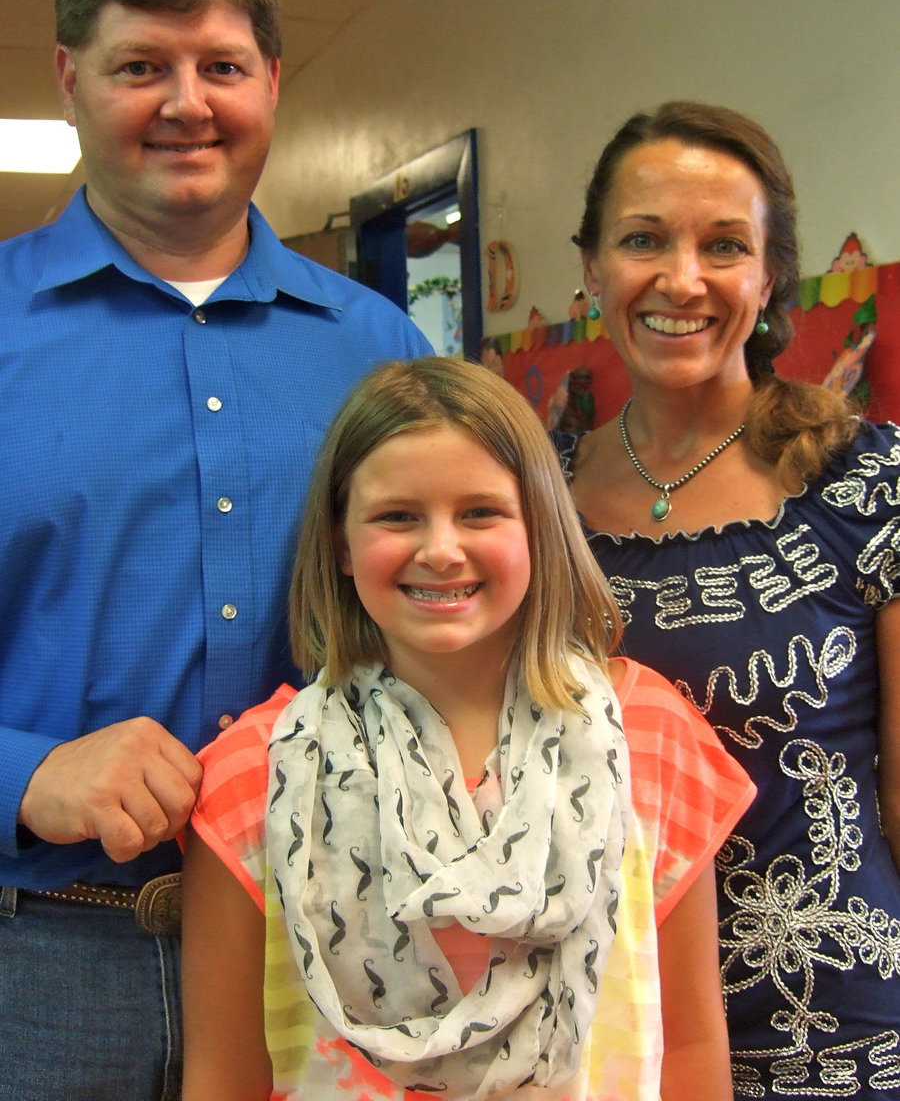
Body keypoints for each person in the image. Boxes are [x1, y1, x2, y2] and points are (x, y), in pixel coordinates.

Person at [0, 0, 430, 1097]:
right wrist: (21, 773)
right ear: (69, 81)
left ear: (272, 82)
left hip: (334, 943)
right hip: (37, 965)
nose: (187, 103)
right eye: (141, 65)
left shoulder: (382, 352)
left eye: (221, 67)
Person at [181, 356, 755, 1101]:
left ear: (540, 527)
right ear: (342, 545)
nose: (442, 549)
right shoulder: (249, 777)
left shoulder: (649, 736)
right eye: (397, 516)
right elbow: (223, 1076)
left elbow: (692, 1045)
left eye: (481, 511)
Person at [556, 100, 900, 1098]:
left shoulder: (868, 485)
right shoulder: (526, 506)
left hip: (837, 1039)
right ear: (590, 267)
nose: (682, 278)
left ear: (767, 275)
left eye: (723, 246)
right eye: (642, 239)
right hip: (595, 1036)